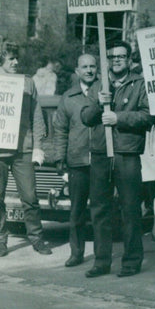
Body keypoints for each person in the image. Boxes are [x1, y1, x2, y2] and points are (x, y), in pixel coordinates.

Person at [81, 40, 151, 278]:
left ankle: (131, 261)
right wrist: (100, 105)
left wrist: (118, 118)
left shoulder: (139, 84)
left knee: (130, 208)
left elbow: (147, 116)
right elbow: (86, 117)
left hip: (126, 153)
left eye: (121, 56)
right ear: (107, 60)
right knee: (100, 209)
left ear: (129, 59)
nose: (117, 60)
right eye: (112, 57)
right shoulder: (99, 85)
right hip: (101, 152)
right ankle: (102, 261)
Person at [0, 40, 51, 257]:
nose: (16, 62)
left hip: (23, 148)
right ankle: (0, 240)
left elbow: (37, 116)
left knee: (30, 197)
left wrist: (38, 146)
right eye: (11, 58)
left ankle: (37, 238)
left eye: (16, 58)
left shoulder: (27, 83)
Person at [52, 53, 100, 266]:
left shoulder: (105, 92)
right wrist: (60, 157)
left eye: (92, 66)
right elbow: (60, 130)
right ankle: (76, 252)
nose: (89, 70)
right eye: (84, 67)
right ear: (77, 72)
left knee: (101, 210)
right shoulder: (68, 97)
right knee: (77, 210)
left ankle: (102, 255)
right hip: (77, 161)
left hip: (101, 160)